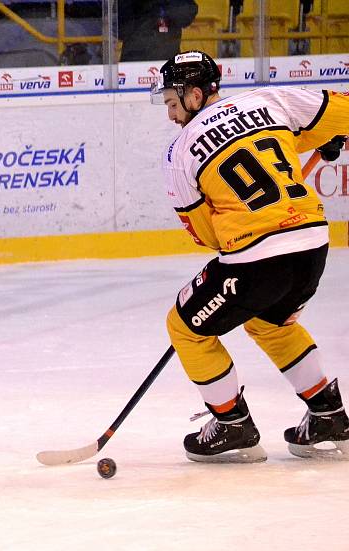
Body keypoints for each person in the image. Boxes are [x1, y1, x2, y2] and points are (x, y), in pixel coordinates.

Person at [151, 50, 349, 462]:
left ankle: (231, 424)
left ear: (193, 95)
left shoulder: (181, 152)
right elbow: (342, 114)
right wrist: (321, 138)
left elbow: (207, 236)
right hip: (312, 244)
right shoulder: (269, 100)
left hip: (256, 259)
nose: (170, 115)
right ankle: (329, 415)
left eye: (172, 102)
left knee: (185, 327)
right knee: (270, 323)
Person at [118, 0, 198, 62]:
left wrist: (160, 6)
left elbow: (187, 13)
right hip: (134, 61)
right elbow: (120, 28)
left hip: (168, 57)